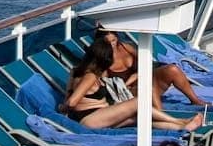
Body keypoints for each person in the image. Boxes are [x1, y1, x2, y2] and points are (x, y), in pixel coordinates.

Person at [64, 36, 205, 132]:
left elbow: (68, 96)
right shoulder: (90, 76)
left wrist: (61, 107)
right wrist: (65, 107)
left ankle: (182, 127)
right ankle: (180, 121)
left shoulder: (75, 71)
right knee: (138, 102)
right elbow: (72, 101)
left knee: (139, 118)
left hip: (94, 116)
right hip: (91, 118)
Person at [104, 29, 208, 109]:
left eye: (113, 40)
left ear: (117, 38)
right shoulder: (101, 57)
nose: (112, 44)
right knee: (148, 87)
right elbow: (105, 84)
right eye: (108, 42)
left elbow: (146, 62)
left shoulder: (125, 47)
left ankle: (195, 100)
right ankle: (160, 116)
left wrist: (136, 76)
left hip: (141, 81)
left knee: (172, 69)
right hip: (127, 92)